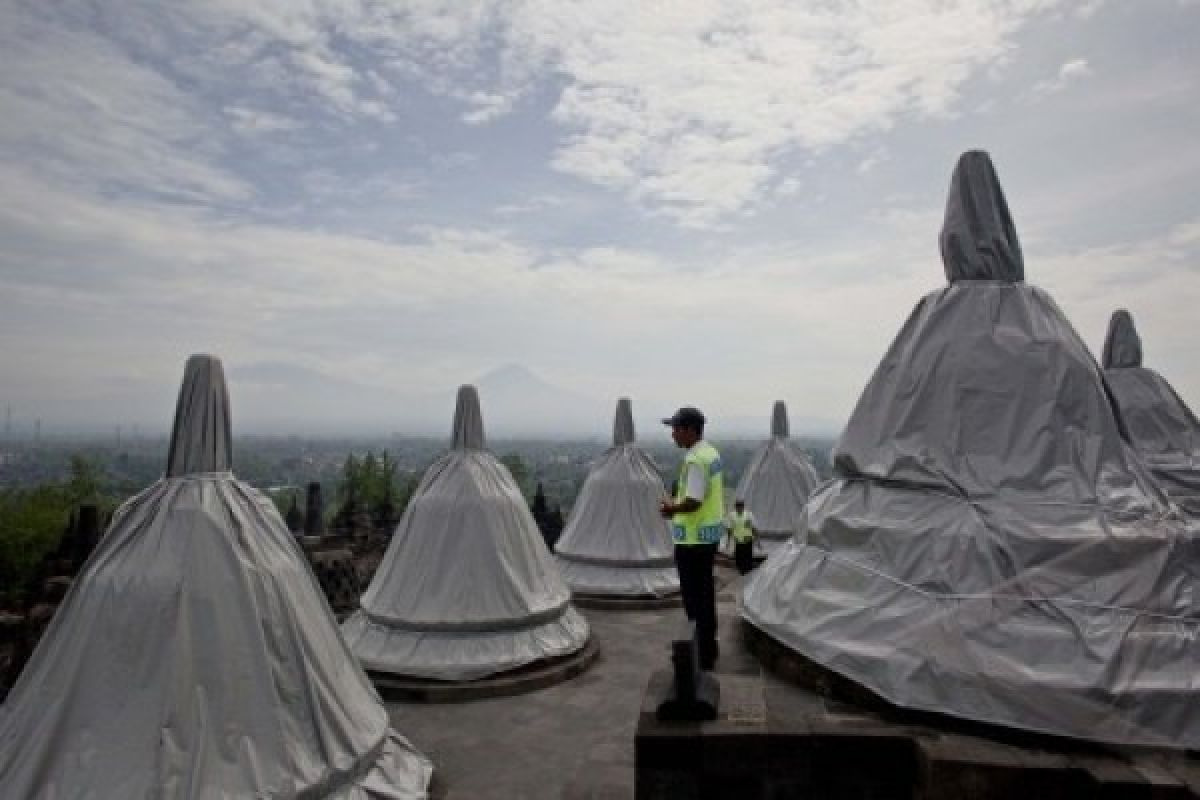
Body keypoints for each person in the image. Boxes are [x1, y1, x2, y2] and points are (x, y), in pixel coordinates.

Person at [659, 406, 724, 669]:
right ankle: (709, 649)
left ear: (689, 430)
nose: (673, 434)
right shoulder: (711, 453)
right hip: (707, 538)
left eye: (675, 429)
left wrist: (670, 508)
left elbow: (694, 501)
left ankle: (699, 654)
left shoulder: (696, 460)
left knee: (695, 600)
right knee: (705, 596)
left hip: (693, 542)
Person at [726, 499, 757, 576]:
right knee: (739, 559)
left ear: (743, 506)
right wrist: (728, 541)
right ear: (735, 507)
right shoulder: (732, 515)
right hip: (738, 541)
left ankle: (747, 573)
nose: (739, 507)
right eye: (738, 506)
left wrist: (758, 540)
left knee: (748, 559)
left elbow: (754, 528)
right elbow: (730, 529)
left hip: (748, 540)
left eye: (741, 506)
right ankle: (742, 571)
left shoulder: (749, 515)